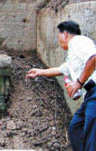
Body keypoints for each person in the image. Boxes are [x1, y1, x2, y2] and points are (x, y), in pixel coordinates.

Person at [26, 20, 96, 151]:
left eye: (58, 37)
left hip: (95, 93)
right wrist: (39, 72)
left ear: (65, 34)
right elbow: (60, 69)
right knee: (75, 128)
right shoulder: (72, 56)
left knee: (92, 134)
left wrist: (78, 83)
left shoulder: (79, 41)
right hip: (90, 97)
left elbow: (93, 57)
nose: (59, 42)